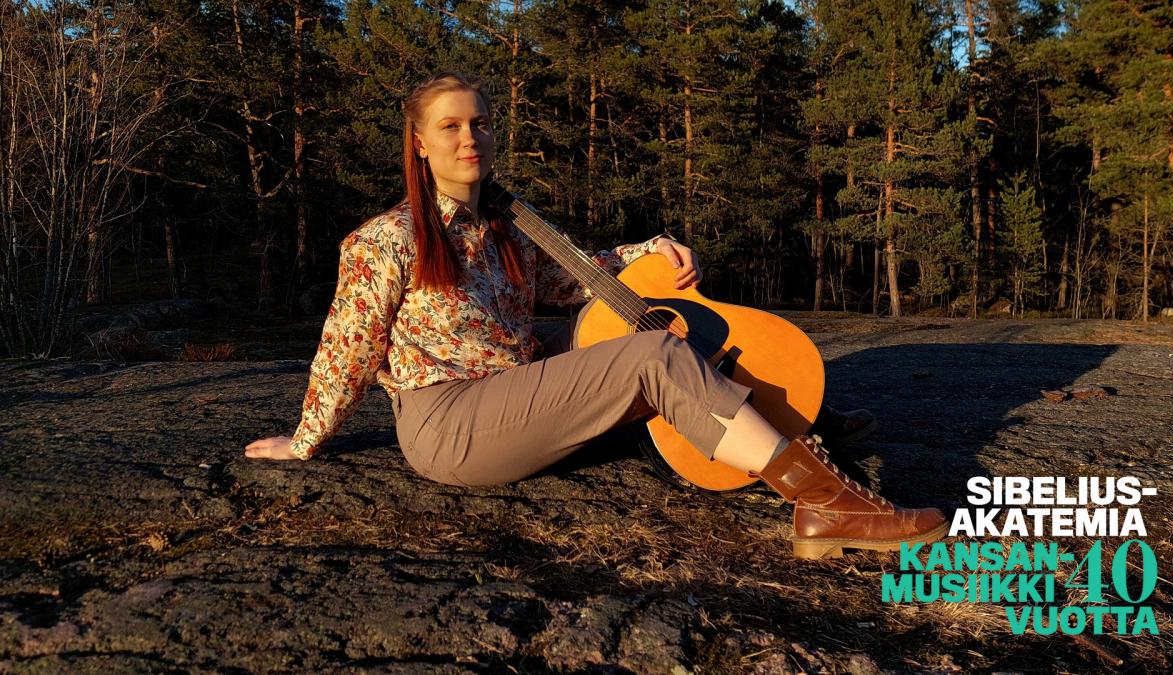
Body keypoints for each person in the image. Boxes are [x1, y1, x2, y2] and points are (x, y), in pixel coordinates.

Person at [244, 71, 948, 559]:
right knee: (650, 356)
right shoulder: (386, 239)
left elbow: (583, 277)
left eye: (480, 123)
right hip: (448, 425)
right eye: (450, 127)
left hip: (509, 390)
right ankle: (822, 502)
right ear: (420, 143)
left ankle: (785, 417)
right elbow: (348, 347)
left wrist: (653, 249)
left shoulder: (505, 228)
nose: (470, 138)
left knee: (605, 329)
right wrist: (306, 439)